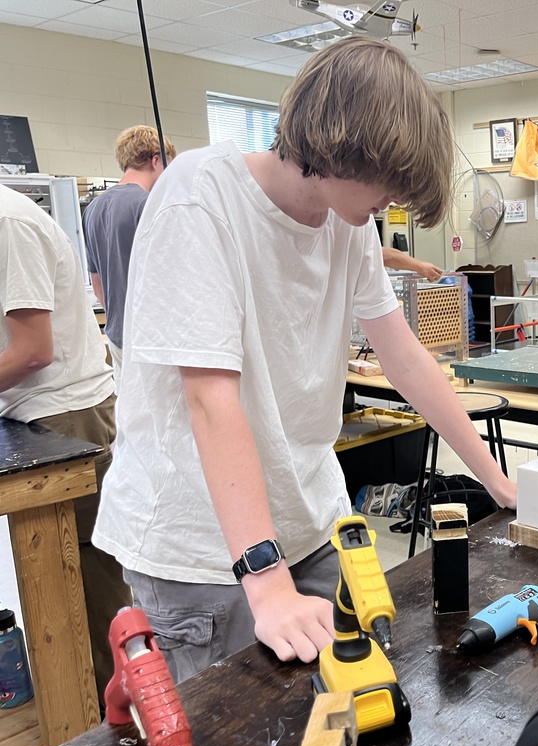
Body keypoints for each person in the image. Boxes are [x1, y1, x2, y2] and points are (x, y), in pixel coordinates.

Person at [93, 38, 516, 682]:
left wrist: (499, 483)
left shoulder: (350, 222)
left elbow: (404, 358)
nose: (393, 202)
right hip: (203, 549)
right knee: (235, 729)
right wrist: (266, 584)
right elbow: (210, 397)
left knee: (349, 708)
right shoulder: (199, 196)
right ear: (342, 145)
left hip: (308, 524)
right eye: (389, 182)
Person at [0, 183, 126, 700]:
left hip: (65, 416)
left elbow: (33, 349)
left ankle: (119, 716)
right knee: (56, 579)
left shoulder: (8, 223)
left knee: (92, 584)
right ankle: (81, 704)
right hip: (37, 414)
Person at [84, 125, 177, 391]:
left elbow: (97, 282)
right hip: (152, 341)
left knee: (128, 408)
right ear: (156, 160)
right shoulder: (149, 204)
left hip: (118, 336)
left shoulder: (92, 209)